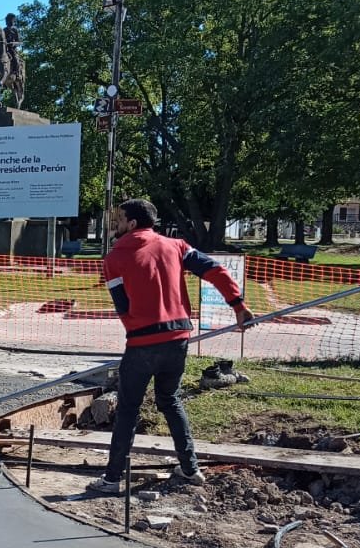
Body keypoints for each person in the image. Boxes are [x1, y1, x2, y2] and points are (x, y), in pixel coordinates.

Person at [89, 198, 254, 494]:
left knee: (128, 409)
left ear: (133, 223)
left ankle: (112, 479)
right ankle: (190, 469)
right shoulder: (176, 246)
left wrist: (139, 330)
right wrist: (238, 306)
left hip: (141, 342)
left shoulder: (114, 258)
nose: (116, 224)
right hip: (178, 338)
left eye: (120, 219)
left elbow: (123, 306)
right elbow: (214, 269)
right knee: (170, 400)